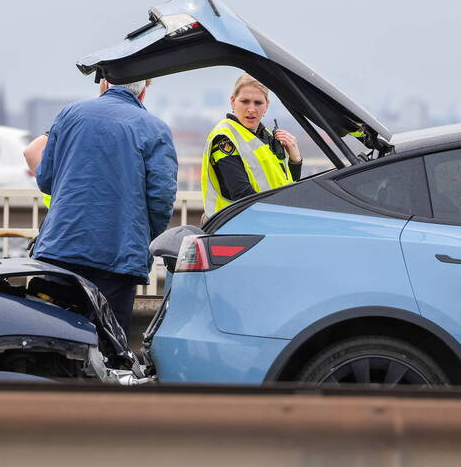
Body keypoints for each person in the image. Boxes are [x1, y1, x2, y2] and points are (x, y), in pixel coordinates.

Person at [23, 78, 177, 334]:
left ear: (104, 84)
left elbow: (46, 178)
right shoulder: (155, 128)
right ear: (143, 92)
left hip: (62, 245)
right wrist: (142, 236)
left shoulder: (70, 114)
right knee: (110, 341)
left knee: (55, 333)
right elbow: (161, 198)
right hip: (119, 254)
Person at [201, 73, 302, 217]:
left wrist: (295, 160)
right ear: (233, 101)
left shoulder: (266, 135)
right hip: (234, 228)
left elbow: (286, 186)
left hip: (266, 222)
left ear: (266, 105)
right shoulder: (225, 137)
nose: (251, 109)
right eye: (245, 101)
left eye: (258, 103)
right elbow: (242, 194)